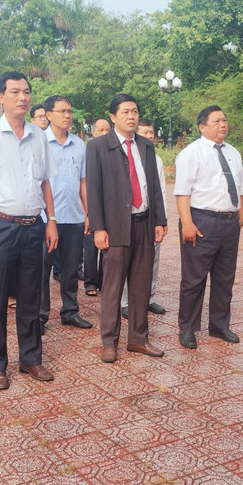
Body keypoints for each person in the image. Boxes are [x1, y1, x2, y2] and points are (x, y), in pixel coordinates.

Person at [0, 71, 58, 390]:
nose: (23, 97)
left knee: (32, 296)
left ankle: (31, 359)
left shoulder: (38, 136)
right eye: (15, 91)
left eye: (27, 92)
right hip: (0, 226)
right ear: (0, 97)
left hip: (34, 227)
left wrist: (52, 222)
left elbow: (45, 181)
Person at [86, 95, 167, 363]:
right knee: (112, 287)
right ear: (113, 117)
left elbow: (152, 186)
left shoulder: (146, 145)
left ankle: (138, 339)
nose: (131, 116)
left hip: (144, 223)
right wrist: (98, 227)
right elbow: (94, 191)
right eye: (125, 112)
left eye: (135, 111)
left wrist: (160, 220)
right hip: (115, 227)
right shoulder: (98, 146)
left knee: (141, 285)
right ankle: (109, 341)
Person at [174, 106, 243, 349]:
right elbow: (182, 192)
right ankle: (187, 328)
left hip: (229, 222)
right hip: (201, 220)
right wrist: (187, 223)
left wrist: (240, 214)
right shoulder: (191, 153)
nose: (222, 124)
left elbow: (239, 187)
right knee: (194, 279)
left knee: (225, 277)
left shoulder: (233, 153)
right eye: (216, 121)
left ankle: (219, 325)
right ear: (202, 126)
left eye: (224, 120)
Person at [38, 95, 91, 333]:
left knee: (70, 269)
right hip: (45, 218)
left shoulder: (79, 145)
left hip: (74, 217)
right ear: (49, 115)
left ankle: (70, 311)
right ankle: (40, 315)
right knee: (42, 269)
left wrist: (88, 213)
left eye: (70, 111)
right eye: (62, 111)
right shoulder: (38, 142)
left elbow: (83, 182)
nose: (68, 115)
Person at [121, 118, 167, 318]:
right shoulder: (124, 154)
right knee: (126, 262)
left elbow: (160, 191)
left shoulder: (155, 158)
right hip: (128, 218)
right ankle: (124, 302)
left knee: (152, 260)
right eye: (146, 132)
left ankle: (149, 298)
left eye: (151, 132)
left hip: (151, 217)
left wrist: (161, 219)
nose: (150, 136)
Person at [82, 117, 111, 297]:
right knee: (90, 245)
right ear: (93, 133)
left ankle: (104, 280)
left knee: (107, 246)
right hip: (91, 205)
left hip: (110, 206)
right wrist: (87, 211)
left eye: (107, 130)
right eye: (100, 130)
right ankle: (90, 282)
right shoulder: (89, 151)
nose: (104, 133)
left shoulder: (115, 150)